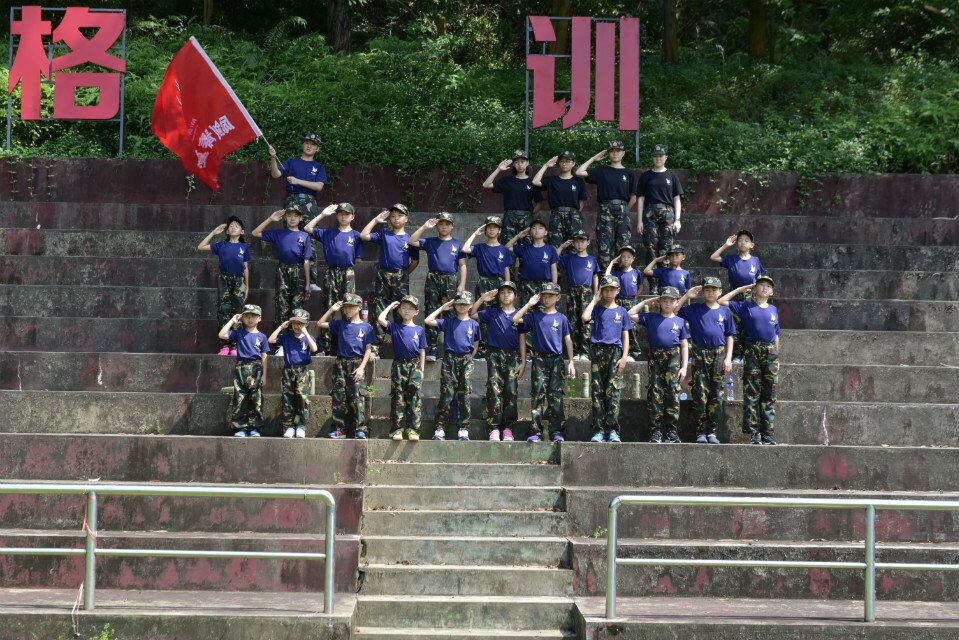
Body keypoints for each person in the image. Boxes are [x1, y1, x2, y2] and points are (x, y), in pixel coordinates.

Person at [718, 275, 780, 445]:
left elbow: (776, 334)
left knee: (769, 394)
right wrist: (740, 289)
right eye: (761, 285)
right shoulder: (746, 306)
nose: (765, 288)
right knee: (752, 393)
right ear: (754, 289)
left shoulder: (773, 309)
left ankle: (768, 433)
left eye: (768, 286)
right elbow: (721, 301)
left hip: (771, 353)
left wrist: (776, 354)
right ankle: (754, 433)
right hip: (753, 350)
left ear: (772, 292)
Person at [512, 284, 576, 443]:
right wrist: (529, 304)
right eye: (544, 296)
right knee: (537, 394)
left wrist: (571, 361)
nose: (546, 299)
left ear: (558, 297)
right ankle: (535, 431)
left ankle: (557, 431)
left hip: (557, 360)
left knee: (556, 396)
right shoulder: (534, 316)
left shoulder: (562, 318)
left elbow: (568, 339)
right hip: (539, 359)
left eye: (550, 296)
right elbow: (515, 319)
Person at [677, 278, 736, 444]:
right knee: (699, 393)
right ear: (703, 292)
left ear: (720, 291)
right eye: (707, 290)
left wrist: (728, 358)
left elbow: (730, 336)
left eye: (714, 290)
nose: (710, 293)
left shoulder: (725, 312)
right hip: (699, 354)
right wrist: (686, 295)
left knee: (716, 394)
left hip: (719, 355)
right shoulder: (695, 309)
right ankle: (701, 431)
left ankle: (712, 431)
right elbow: (673, 311)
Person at [629, 287, 689, 444]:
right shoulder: (651, 318)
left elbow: (684, 345)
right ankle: (656, 430)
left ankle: (671, 431)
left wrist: (684, 367)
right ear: (659, 302)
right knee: (655, 394)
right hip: (655, 358)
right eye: (664, 300)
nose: (667, 303)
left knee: (673, 394)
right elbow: (630, 314)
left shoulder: (680, 321)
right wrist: (646, 301)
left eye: (671, 300)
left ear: (676, 302)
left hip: (673, 359)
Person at [268, 133, 328, 290]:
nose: (309, 146)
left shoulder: (319, 167)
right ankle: (286, 277)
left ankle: (312, 280)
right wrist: (273, 158)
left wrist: (298, 181)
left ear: (317, 149)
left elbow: (319, 186)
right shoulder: (292, 161)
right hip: (292, 200)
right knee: (289, 235)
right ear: (303, 144)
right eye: (307, 143)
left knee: (310, 237)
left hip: (309, 203)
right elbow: (276, 174)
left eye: (312, 144)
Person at [305, 203, 363, 355]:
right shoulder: (328, 232)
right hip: (331, 272)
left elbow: (358, 259)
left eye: (347, 214)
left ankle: (349, 345)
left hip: (348, 273)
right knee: (329, 307)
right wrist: (323, 214)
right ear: (337, 216)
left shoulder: (356, 235)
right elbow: (308, 228)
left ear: (352, 216)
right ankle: (324, 347)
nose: (343, 216)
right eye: (341, 213)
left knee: (349, 308)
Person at [470, 282, 526, 441]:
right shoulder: (492, 312)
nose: (506, 295)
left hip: (512, 356)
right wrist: (482, 299)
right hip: (494, 355)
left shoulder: (519, 314)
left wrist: (523, 362)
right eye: (502, 292)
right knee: (493, 391)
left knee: (511, 391)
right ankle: (494, 428)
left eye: (509, 292)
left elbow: (522, 339)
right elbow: (472, 314)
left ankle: (508, 428)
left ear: (515, 295)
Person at [408, 212, 467, 361]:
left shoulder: (457, 244)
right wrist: (424, 227)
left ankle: (450, 346)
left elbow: (462, 265)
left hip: (451, 279)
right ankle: (432, 347)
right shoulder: (430, 241)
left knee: (451, 313)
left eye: (447, 224)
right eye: (441, 224)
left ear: (452, 226)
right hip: (433, 278)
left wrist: (462, 284)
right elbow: (412, 241)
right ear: (437, 226)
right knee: (431, 310)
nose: (444, 227)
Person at [317, 294, 377, 439]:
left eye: (351, 306)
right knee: (339, 396)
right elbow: (320, 323)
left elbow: (368, 349)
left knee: (357, 396)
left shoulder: (366, 327)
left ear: (359, 307)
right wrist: (332, 309)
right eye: (346, 307)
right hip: (340, 363)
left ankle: (360, 429)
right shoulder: (340, 324)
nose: (348, 309)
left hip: (357, 363)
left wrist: (362, 367)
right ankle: (339, 429)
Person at [581, 275, 631, 443]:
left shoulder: (622, 311)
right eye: (605, 290)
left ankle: (612, 430)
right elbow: (585, 317)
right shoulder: (597, 309)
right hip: (597, 352)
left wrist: (624, 357)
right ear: (601, 291)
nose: (608, 293)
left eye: (612, 290)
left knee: (613, 392)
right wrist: (594, 300)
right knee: (597, 392)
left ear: (618, 291)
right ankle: (598, 430)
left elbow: (625, 335)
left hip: (615, 353)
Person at [361, 203, 420, 342]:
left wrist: (404, 274)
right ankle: (377, 344)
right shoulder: (384, 234)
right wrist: (376, 220)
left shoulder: (410, 239)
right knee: (379, 308)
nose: (396, 218)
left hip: (401, 277)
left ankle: (402, 341)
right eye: (393, 216)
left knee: (402, 310)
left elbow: (415, 261)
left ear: (406, 218)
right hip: (383, 275)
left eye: (400, 215)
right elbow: (364, 235)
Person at [425, 292, 480, 441]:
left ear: (470, 305)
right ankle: (440, 427)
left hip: (466, 359)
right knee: (447, 393)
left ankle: (463, 428)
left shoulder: (474, 324)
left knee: (465, 393)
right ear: (455, 305)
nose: (462, 306)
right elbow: (428, 320)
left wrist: (470, 357)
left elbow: (476, 343)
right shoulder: (448, 322)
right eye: (459, 304)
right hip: (449, 360)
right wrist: (443, 307)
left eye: (465, 304)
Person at [576, 140, 637, 269]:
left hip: (623, 209)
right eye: (612, 151)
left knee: (623, 244)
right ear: (608, 154)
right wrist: (594, 158)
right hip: (605, 209)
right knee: (604, 244)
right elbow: (579, 172)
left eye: (618, 151)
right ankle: (605, 275)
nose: (615, 153)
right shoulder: (602, 170)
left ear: (623, 153)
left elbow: (633, 197)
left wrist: (625, 210)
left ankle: (622, 275)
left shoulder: (629, 173)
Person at [252, 206, 313, 331]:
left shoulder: (304, 236)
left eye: (295, 216)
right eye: (289, 216)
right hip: (282, 270)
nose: (292, 219)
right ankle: (281, 337)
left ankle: (296, 336)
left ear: (301, 218)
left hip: (299, 271)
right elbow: (255, 233)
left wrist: (308, 283)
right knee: (281, 304)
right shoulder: (278, 233)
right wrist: (270, 219)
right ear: (284, 218)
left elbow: (307, 260)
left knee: (297, 305)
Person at [709, 229, 765, 362]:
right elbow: (713, 257)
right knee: (735, 324)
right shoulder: (731, 259)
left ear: (752, 245)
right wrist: (726, 245)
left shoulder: (755, 260)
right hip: (734, 295)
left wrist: (760, 295)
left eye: (746, 240)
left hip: (751, 297)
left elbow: (760, 278)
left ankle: (749, 353)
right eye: (740, 240)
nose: (742, 242)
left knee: (749, 324)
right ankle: (737, 354)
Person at [461, 216, 513, 360]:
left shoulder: (504, 249)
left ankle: (500, 346)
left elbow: (506, 269)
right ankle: (483, 349)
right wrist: (475, 233)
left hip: (500, 283)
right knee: (483, 316)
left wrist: (507, 286)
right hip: (484, 282)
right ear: (485, 229)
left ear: (499, 230)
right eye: (489, 227)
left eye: (495, 227)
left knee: (501, 315)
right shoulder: (480, 247)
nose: (492, 230)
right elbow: (465, 248)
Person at [197, 215, 250, 355]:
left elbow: (245, 267)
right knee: (223, 310)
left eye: (236, 226)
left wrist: (247, 285)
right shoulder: (221, 245)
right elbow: (201, 246)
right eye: (231, 226)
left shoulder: (244, 247)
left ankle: (235, 345)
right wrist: (214, 233)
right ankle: (224, 345)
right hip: (224, 279)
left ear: (242, 232)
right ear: (227, 231)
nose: (233, 227)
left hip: (239, 281)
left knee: (238, 310)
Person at [378, 296, 427, 441]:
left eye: (410, 308)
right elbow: (380, 319)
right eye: (404, 308)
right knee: (398, 397)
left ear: (416, 312)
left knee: (414, 397)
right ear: (399, 310)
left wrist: (422, 369)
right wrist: (390, 306)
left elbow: (422, 350)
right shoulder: (395, 327)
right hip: (399, 365)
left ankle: (413, 430)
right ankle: (397, 430)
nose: (407, 311)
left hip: (415, 365)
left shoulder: (419, 330)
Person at [635, 143, 683, 292]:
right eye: (655, 156)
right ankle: (653, 286)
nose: (658, 158)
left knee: (666, 249)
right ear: (652, 158)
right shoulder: (646, 176)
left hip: (668, 214)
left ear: (666, 157)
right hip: (650, 213)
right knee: (650, 248)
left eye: (661, 156)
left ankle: (665, 285)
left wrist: (677, 219)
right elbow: (640, 199)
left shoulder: (672, 176)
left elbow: (677, 199)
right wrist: (639, 221)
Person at [218, 304, 269, 437]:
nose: (250, 319)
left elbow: (264, 356)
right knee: (240, 398)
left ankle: (254, 427)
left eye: (253, 316)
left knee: (255, 399)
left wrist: (264, 375)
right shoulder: (239, 333)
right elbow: (222, 334)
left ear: (259, 318)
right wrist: (232, 321)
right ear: (242, 318)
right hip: (241, 367)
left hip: (256, 368)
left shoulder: (262, 336)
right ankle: (240, 427)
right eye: (247, 316)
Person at [268, 309, 319, 439]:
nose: (297, 326)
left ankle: (301, 426)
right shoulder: (287, 336)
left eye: (301, 323)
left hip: (302, 371)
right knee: (287, 399)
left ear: (306, 324)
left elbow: (314, 348)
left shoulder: (308, 338)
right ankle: (288, 426)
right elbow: (271, 340)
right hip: (288, 370)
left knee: (302, 398)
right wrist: (281, 327)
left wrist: (305, 332)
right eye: (295, 323)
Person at [482, 150, 545, 245]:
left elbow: (539, 203)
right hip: (509, 218)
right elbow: (486, 185)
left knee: (527, 247)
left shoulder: (532, 182)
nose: (520, 164)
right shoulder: (507, 181)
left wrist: (530, 214)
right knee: (507, 246)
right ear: (514, 165)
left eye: (522, 161)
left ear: (527, 163)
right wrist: (498, 169)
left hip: (527, 218)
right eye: (516, 162)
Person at [558, 230, 600, 360]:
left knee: (586, 321)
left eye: (582, 241)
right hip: (572, 291)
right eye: (576, 242)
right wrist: (562, 247)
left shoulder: (592, 259)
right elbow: (554, 258)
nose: (579, 244)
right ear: (573, 243)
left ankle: (585, 352)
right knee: (573, 321)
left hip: (587, 292)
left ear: (588, 242)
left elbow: (595, 276)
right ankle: (575, 351)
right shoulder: (569, 258)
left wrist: (596, 294)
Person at [532, 151, 587, 247]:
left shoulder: (578, 181)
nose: (564, 164)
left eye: (567, 161)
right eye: (562, 161)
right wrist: (546, 165)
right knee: (555, 245)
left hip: (573, 216)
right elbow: (535, 182)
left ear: (573, 163)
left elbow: (582, 200)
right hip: (556, 215)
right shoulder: (552, 180)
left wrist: (576, 214)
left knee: (574, 245)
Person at [506, 220, 559, 304]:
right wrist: (519, 236)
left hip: (545, 285)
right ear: (530, 232)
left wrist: (554, 285)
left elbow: (553, 268)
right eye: (534, 228)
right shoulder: (525, 248)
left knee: (544, 309)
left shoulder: (550, 249)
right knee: (527, 310)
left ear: (545, 232)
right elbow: (507, 247)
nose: (537, 230)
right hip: (527, 285)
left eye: (540, 228)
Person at [606, 246, 643, 361]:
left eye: (629, 257)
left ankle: (633, 352)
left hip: (632, 302)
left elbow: (640, 286)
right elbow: (607, 276)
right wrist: (612, 262)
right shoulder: (617, 273)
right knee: (619, 325)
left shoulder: (636, 272)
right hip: (620, 301)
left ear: (633, 258)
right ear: (619, 259)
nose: (626, 259)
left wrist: (635, 297)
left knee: (633, 327)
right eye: (623, 257)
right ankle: (620, 351)